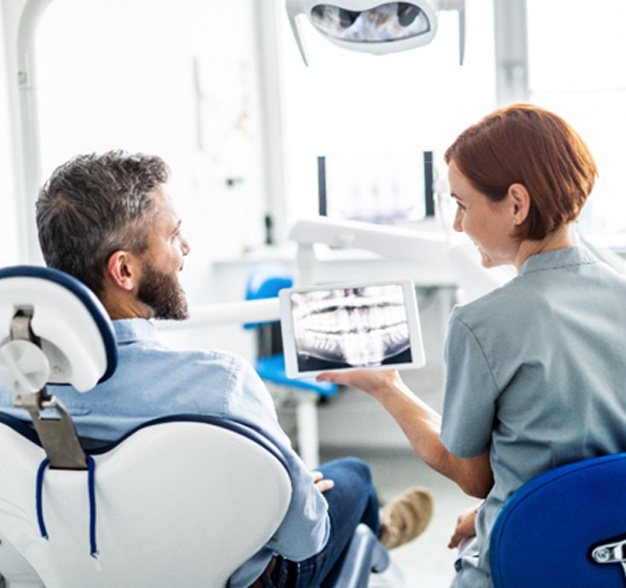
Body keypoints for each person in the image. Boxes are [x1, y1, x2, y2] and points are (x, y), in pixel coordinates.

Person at [0, 151, 434, 588]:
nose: (186, 248)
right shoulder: (220, 386)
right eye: (173, 235)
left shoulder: (12, 388)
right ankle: (378, 532)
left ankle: (378, 531)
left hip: (79, 570)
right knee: (351, 478)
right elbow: (304, 540)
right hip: (241, 579)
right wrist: (299, 491)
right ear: (125, 269)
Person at [316, 103, 626, 586]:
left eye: (463, 205)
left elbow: (473, 477)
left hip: (526, 562)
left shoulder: (482, 324)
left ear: (517, 205)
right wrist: (501, 514)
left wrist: (387, 387)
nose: (458, 226)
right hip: (610, 555)